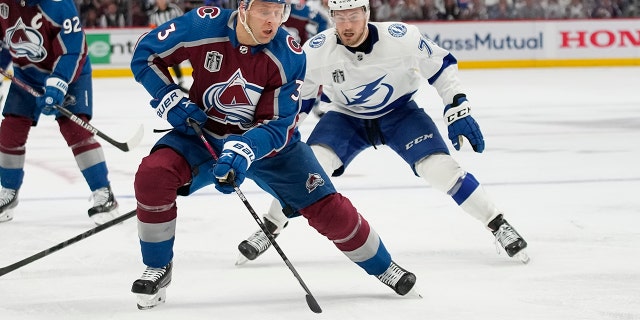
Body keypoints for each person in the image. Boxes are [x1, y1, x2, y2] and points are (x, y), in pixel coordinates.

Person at [129, 0, 417, 310]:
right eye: (265, 11)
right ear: (243, 8)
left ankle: (384, 266)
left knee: (327, 207)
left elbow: (277, 125)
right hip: (203, 135)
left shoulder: (289, 53)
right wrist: (168, 98)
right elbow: (146, 54)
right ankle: (158, 267)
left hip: (271, 149)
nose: (273, 21)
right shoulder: (203, 24)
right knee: (153, 175)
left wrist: (242, 150)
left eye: (279, 13)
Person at [235, 0, 529, 266]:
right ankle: (270, 227)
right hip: (345, 118)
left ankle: (498, 223)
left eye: (353, 16)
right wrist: (277, 131)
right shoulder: (316, 50)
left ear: (367, 13)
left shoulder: (402, 38)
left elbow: (441, 65)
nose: (347, 25)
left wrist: (457, 105)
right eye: (339, 17)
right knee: (310, 169)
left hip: (400, 114)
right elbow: (302, 99)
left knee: (439, 169)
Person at [0, 0, 119, 225]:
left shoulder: (59, 5)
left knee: (76, 130)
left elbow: (74, 49)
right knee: (10, 129)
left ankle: (104, 192)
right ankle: (8, 191)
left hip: (70, 73)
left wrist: (59, 83)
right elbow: (4, 43)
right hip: (26, 74)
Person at [147, 0, 187, 91]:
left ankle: (199, 77)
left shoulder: (174, 9)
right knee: (172, 60)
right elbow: (153, 30)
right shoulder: (154, 15)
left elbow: (184, 20)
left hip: (180, 38)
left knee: (191, 56)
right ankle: (180, 81)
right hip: (167, 42)